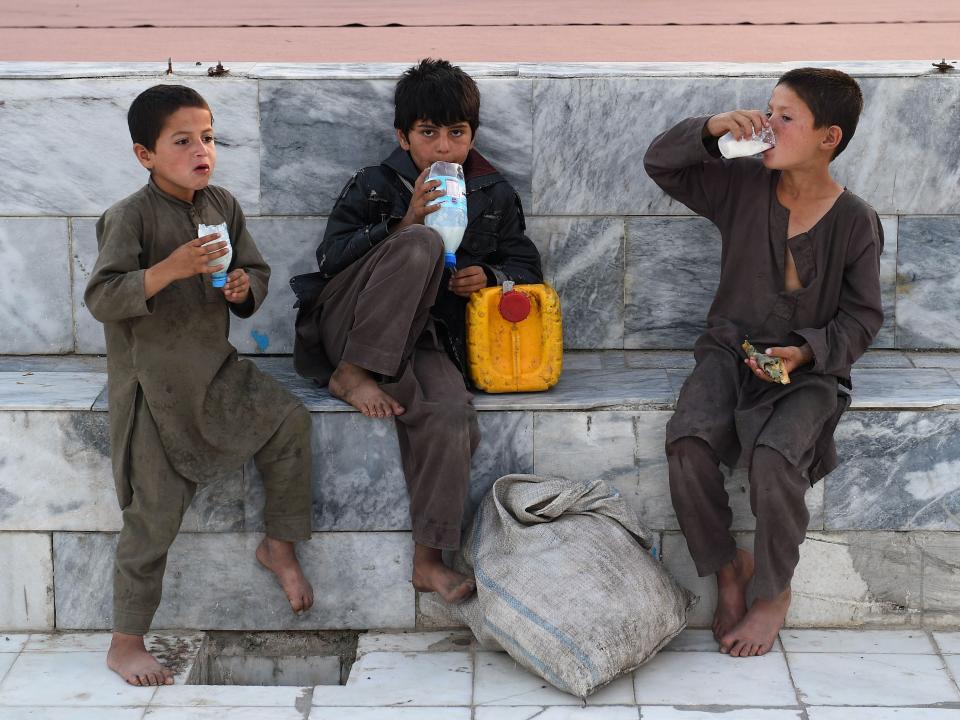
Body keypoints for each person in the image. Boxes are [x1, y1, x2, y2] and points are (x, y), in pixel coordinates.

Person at [644, 68, 883, 657]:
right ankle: (728, 571)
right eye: (766, 110)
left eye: (785, 117)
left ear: (829, 137)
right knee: (688, 445)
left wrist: (806, 351)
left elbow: (862, 318)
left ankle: (774, 593)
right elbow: (662, 164)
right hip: (728, 351)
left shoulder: (855, 220)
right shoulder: (742, 184)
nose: (766, 125)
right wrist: (710, 127)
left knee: (778, 461)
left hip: (808, 373)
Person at [86, 84, 315, 687]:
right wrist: (170, 269)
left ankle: (280, 545)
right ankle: (125, 641)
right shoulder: (129, 216)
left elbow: (256, 269)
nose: (200, 151)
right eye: (182, 141)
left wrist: (244, 287)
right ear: (146, 154)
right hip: (154, 390)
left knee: (290, 420)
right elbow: (103, 296)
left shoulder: (222, 205)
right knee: (152, 515)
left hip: (215, 372)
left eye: (208, 138)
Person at [292, 58, 542, 604]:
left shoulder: (492, 194)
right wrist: (403, 225)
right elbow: (330, 258)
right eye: (429, 134)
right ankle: (351, 375)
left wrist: (490, 278)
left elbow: (526, 266)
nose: (444, 148)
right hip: (350, 324)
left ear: (472, 135)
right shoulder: (375, 185)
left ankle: (429, 560)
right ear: (404, 138)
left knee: (452, 415)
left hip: (421, 338)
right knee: (424, 243)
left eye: (456, 133)